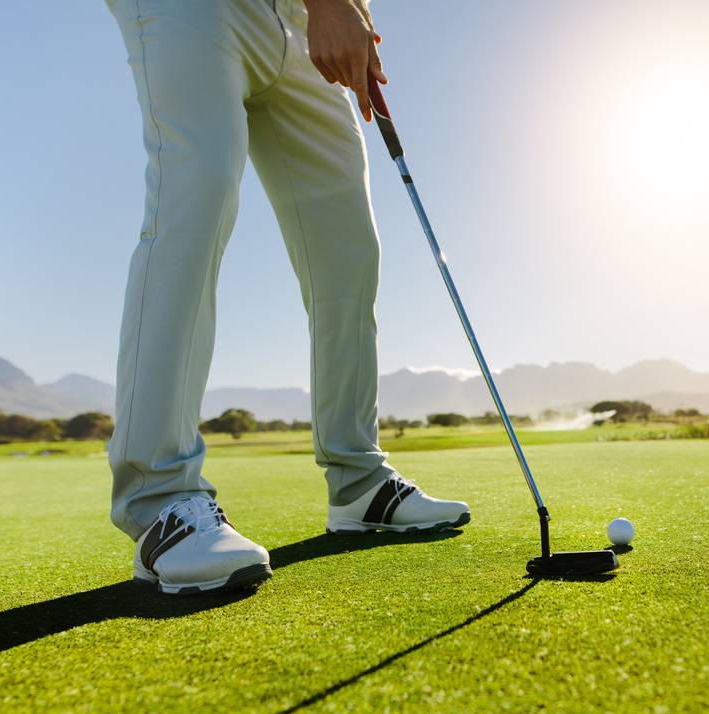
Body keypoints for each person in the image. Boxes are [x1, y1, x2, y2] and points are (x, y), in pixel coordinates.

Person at [104, 0, 469, 595]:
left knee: (348, 247)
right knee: (196, 203)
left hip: (298, 22)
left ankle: (359, 483)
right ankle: (158, 500)